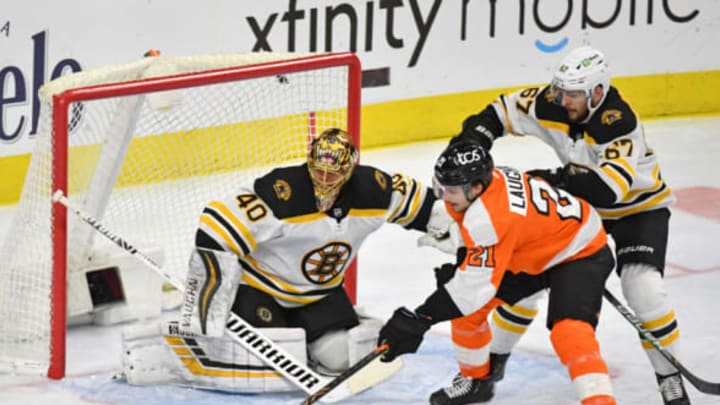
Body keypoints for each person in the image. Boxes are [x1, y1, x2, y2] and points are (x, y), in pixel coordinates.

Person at [445, 45, 688, 405]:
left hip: (638, 209)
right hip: (581, 209)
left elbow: (608, 190)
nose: (563, 100)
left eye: (573, 93)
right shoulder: (550, 102)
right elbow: (496, 113)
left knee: (643, 287)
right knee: (528, 272)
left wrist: (552, 179)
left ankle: (670, 377)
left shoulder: (618, 122)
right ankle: (493, 362)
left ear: (598, 92)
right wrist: (473, 145)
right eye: (560, 90)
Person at [119, 128, 441, 393]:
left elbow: (428, 207)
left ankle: (308, 340)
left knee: (340, 358)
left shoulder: (374, 191)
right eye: (319, 171)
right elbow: (216, 228)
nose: (325, 181)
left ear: (350, 170)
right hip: (261, 290)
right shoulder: (282, 194)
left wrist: (461, 235)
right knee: (270, 364)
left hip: (320, 295)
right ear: (308, 163)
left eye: (334, 173)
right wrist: (206, 306)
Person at [377, 140, 618, 405]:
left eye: (452, 190)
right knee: (467, 314)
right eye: (441, 187)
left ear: (476, 188)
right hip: (533, 248)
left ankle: (600, 401)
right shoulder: (488, 182)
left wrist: (420, 318)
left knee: (569, 331)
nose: (445, 196)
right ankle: (477, 382)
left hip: (579, 250)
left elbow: (470, 292)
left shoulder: (488, 219)